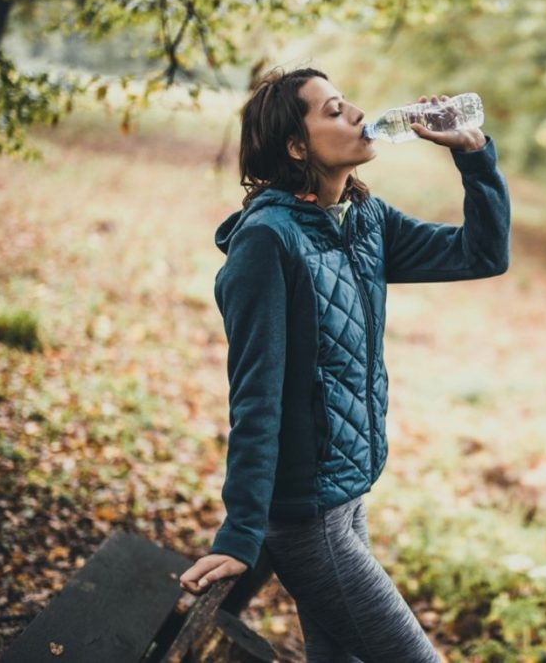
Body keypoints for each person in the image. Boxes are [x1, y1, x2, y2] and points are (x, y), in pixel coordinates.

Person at [177, 67, 510, 662]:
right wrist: (241, 534)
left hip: (349, 494)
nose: (357, 113)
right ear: (296, 146)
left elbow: (482, 253)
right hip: (306, 518)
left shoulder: (364, 221)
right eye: (332, 110)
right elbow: (256, 397)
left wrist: (474, 155)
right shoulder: (267, 243)